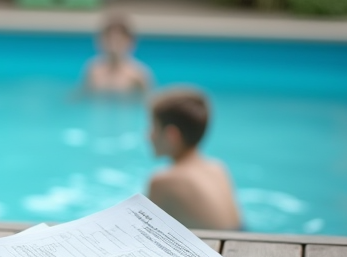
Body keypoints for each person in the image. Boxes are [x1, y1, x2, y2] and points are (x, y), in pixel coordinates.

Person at [146, 88, 242, 231]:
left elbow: (146, 231)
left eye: (153, 128)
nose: (148, 136)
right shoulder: (217, 167)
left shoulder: (163, 181)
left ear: (172, 135)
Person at [82, 13, 153, 94]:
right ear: (101, 41)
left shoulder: (138, 75)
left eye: (118, 41)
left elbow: (148, 101)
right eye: (110, 40)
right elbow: (83, 97)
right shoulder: (93, 70)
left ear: (130, 42)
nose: (113, 47)